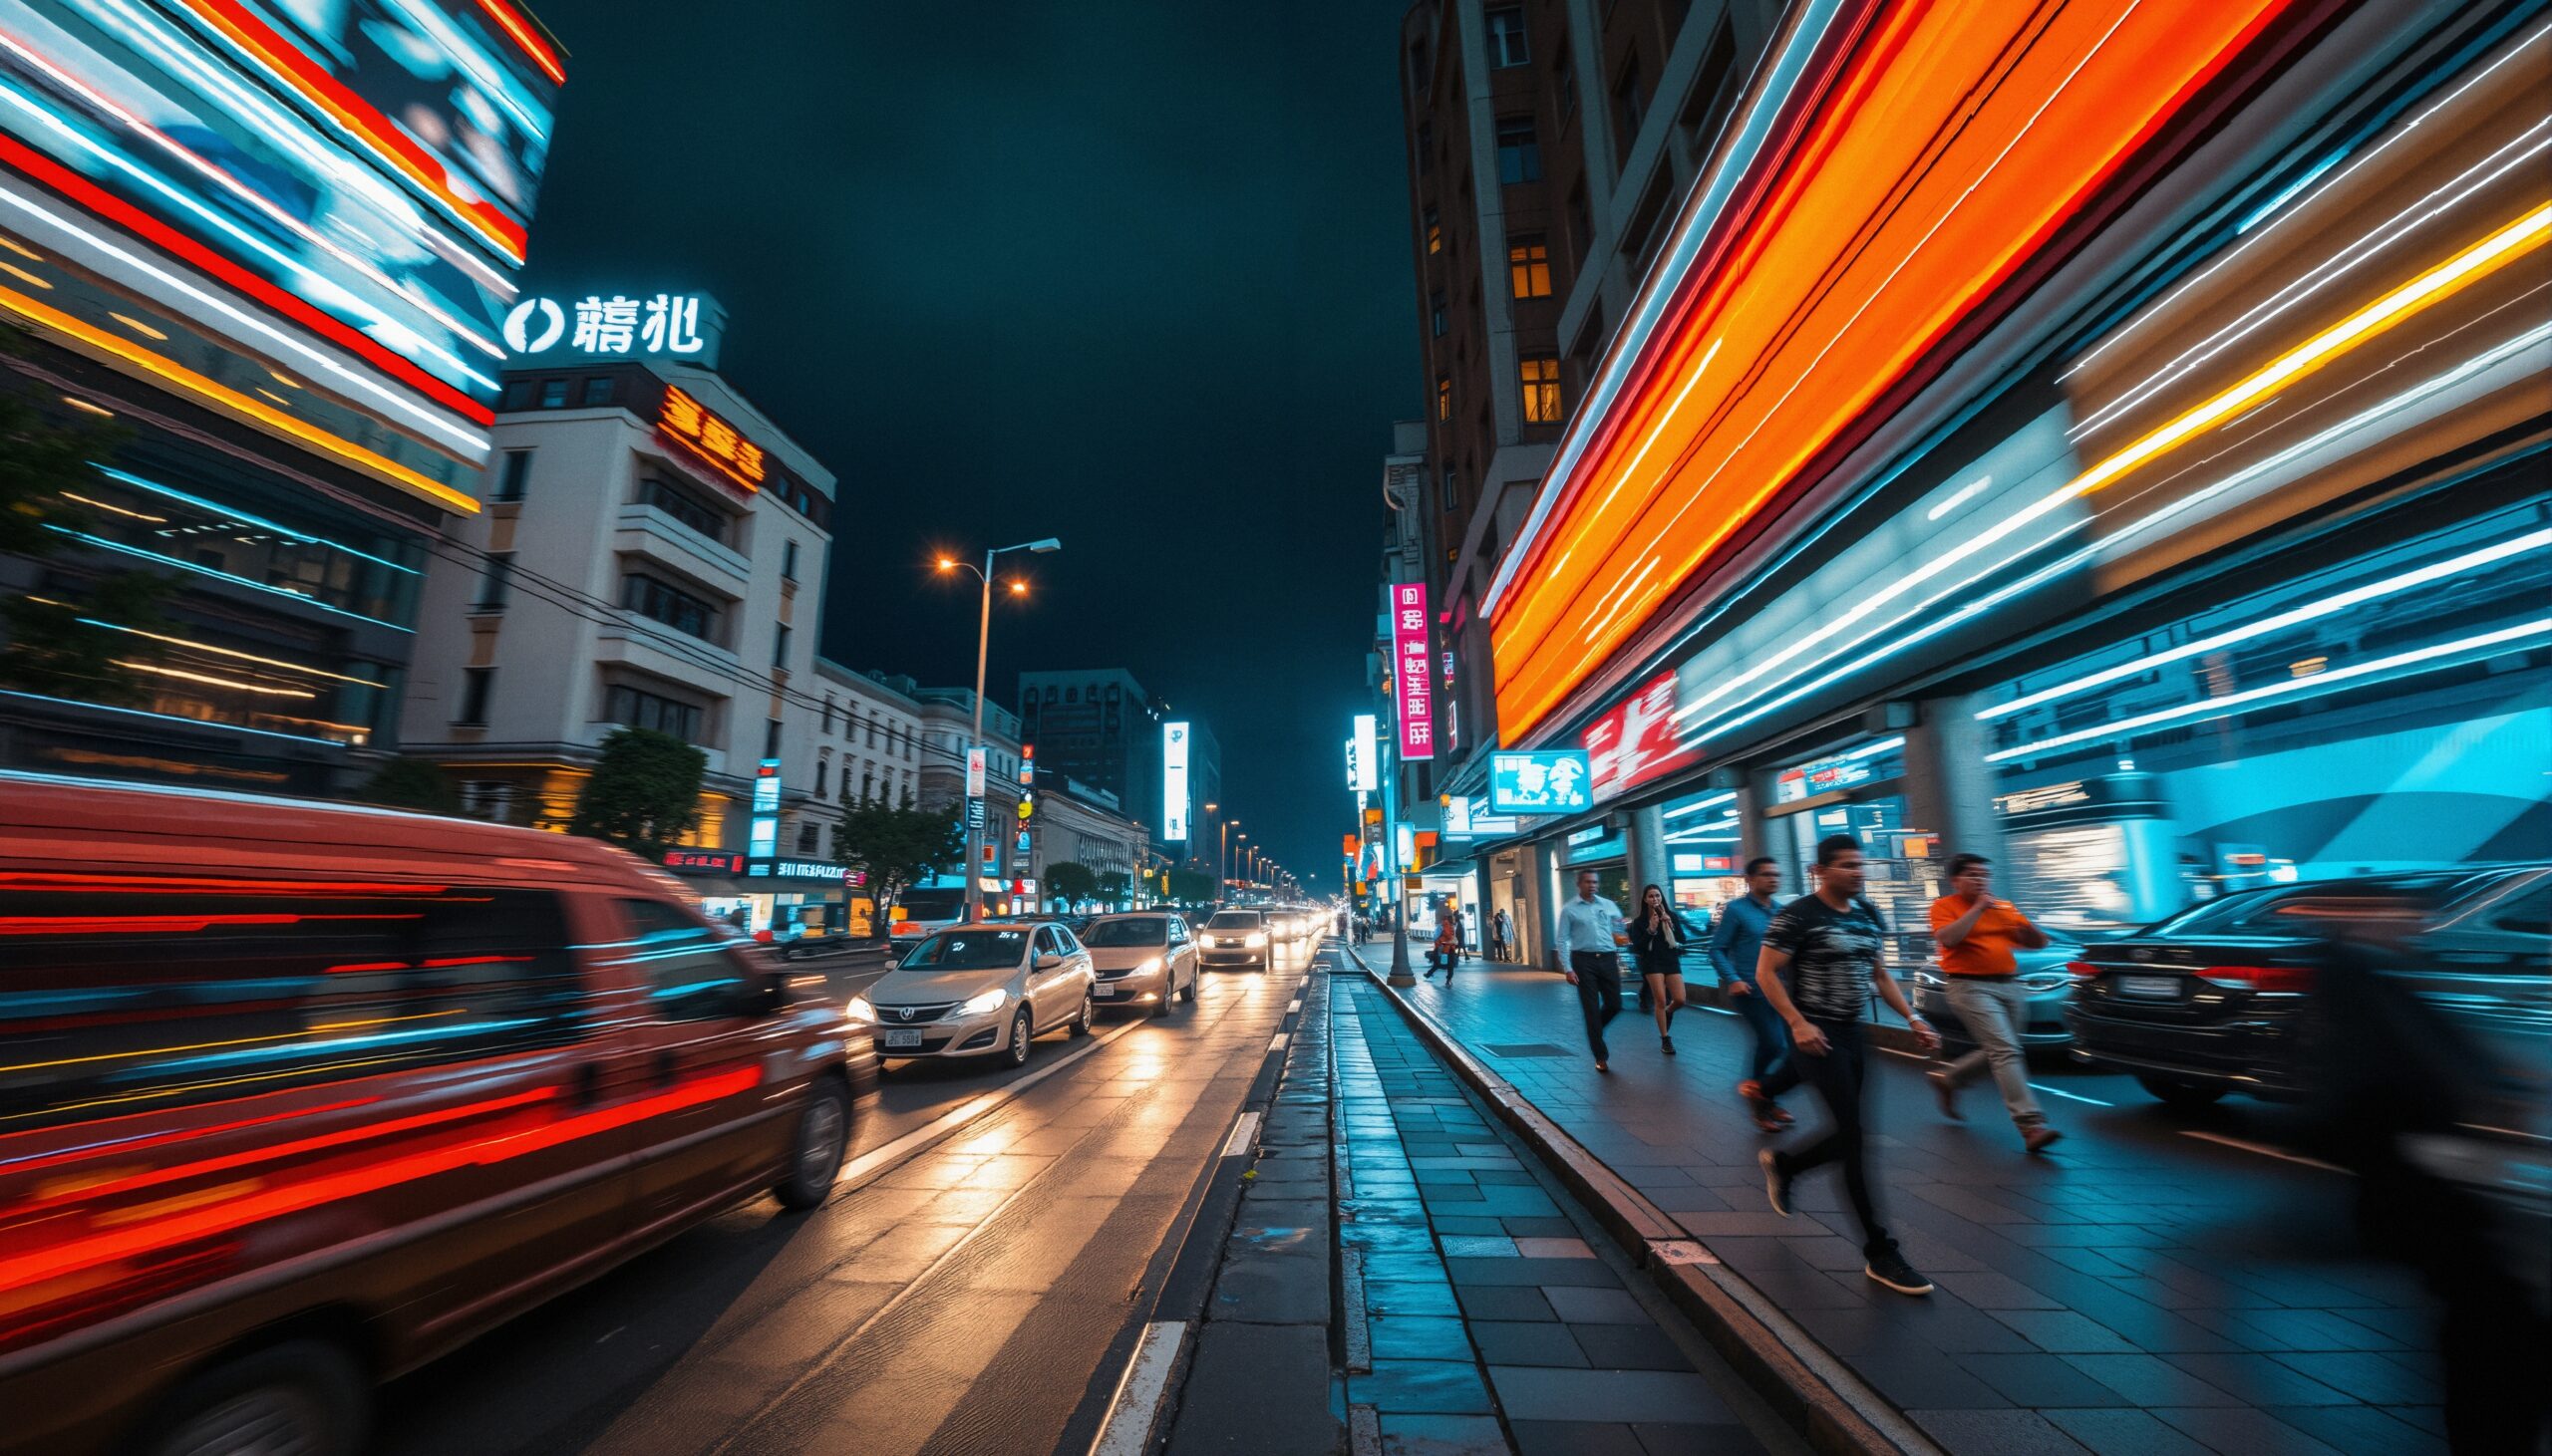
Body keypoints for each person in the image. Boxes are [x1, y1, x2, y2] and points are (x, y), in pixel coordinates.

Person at [1752, 835, 1942, 1297]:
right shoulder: (1798, 915)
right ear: (1821, 871)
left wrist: (1913, 1017)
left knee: (1852, 1133)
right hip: (1815, 1036)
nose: (1858, 872)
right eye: (1847, 866)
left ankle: (1787, 1164)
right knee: (1854, 1141)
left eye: (1860, 865)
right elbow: (1765, 972)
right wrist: (1796, 1023)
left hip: (1854, 1035)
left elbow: (1879, 975)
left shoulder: (1867, 914)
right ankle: (1880, 1252)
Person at [1926, 854, 2062, 1154]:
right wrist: (1977, 908)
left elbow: (2038, 943)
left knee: (2003, 1049)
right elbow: (1948, 939)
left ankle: (1949, 1078)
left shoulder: (2004, 906)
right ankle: (2030, 1125)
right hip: (1969, 986)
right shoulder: (1944, 906)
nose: (1980, 880)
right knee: (2005, 1050)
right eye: (1972, 874)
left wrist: (2030, 931)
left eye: (1984, 875)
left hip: (2009, 985)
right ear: (1955, 880)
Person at [1711, 857, 1796, 1132]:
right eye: (1766, 874)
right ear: (1750, 879)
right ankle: (1760, 1101)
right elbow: (1716, 949)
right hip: (1749, 989)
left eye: (1776, 874)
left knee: (1786, 1046)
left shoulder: (1782, 912)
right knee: (1775, 1044)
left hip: (1779, 990)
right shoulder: (1736, 910)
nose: (1773, 879)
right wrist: (1733, 978)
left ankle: (1766, 1098)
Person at [1555, 870, 1627, 1071]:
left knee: (1615, 1003)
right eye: (1588, 882)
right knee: (1591, 1008)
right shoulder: (1569, 909)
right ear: (1579, 884)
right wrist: (1568, 968)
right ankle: (1600, 1055)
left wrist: (1621, 939)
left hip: (1608, 957)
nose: (1592, 885)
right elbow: (1561, 940)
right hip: (1583, 960)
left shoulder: (1609, 906)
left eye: (1595, 882)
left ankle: (1595, 1030)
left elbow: (1619, 930)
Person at [1625, 884, 1696, 1054]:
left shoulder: (1671, 916)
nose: (1655, 899)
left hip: (1670, 959)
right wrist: (1651, 929)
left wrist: (1670, 924)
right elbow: (1639, 947)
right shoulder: (1639, 922)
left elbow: (1682, 939)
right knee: (1661, 1000)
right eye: (1651, 896)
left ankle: (1668, 1013)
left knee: (1679, 999)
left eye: (1657, 895)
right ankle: (1665, 1039)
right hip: (1652, 962)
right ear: (1645, 899)